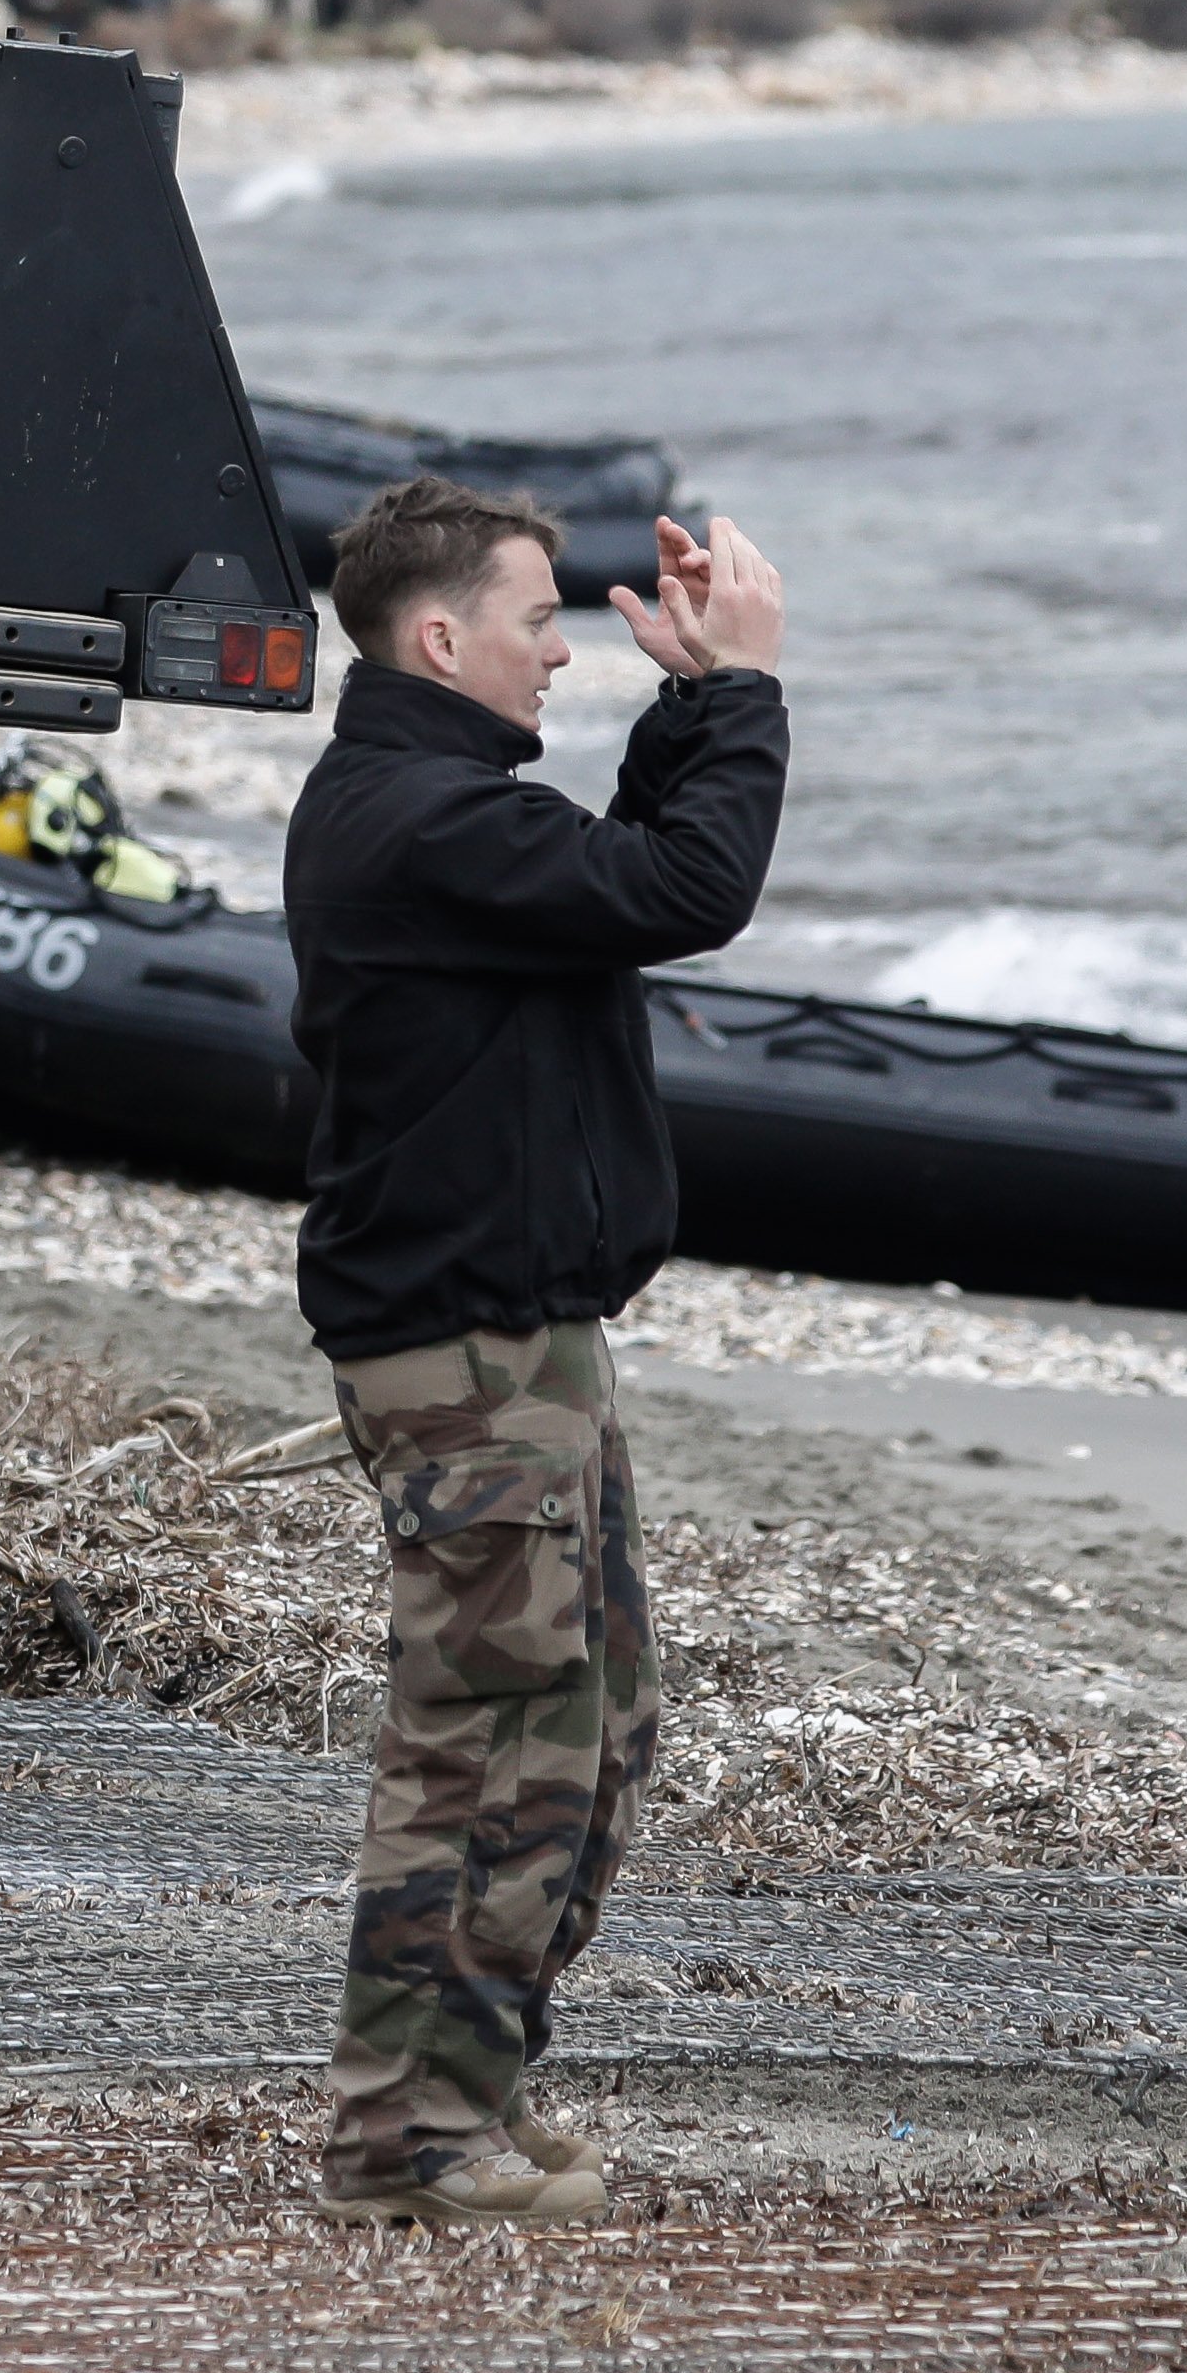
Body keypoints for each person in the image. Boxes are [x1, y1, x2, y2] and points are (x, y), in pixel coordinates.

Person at [281, 476, 789, 2227]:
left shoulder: (445, 814)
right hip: (466, 1349)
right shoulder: (411, 819)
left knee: (591, 1727)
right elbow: (689, 886)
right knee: (494, 1740)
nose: (558, 645)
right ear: (439, 638)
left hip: (525, 1334)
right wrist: (740, 691)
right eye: (532, 618)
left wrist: (683, 703)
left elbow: (614, 890)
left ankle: (462, 2092)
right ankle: (402, 2140)